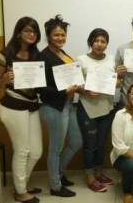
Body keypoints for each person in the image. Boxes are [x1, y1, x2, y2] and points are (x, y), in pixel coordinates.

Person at [0, 17, 43, 203]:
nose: (31, 34)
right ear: (19, 32)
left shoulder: (37, 55)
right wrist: (4, 80)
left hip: (32, 107)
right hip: (12, 107)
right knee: (22, 150)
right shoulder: (5, 54)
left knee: (36, 151)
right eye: (28, 30)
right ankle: (21, 192)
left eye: (35, 32)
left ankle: (21, 184)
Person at [38, 15, 82, 197]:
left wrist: (79, 85)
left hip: (68, 105)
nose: (60, 38)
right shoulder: (43, 56)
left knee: (76, 141)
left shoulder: (63, 54)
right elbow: (41, 89)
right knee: (55, 148)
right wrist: (64, 91)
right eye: (56, 35)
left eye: (63, 35)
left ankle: (59, 174)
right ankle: (55, 186)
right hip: (54, 107)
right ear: (48, 36)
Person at [76, 28, 117, 192]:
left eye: (103, 41)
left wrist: (118, 80)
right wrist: (84, 90)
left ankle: (99, 173)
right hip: (87, 108)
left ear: (107, 44)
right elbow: (74, 84)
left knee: (101, 143)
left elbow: (117, 82)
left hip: (106, 107)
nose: (100, 44)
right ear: (90, 42)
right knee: (90, 144)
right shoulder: (81, 60)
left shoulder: (112, 59)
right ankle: (90, 176)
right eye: (96, 41)